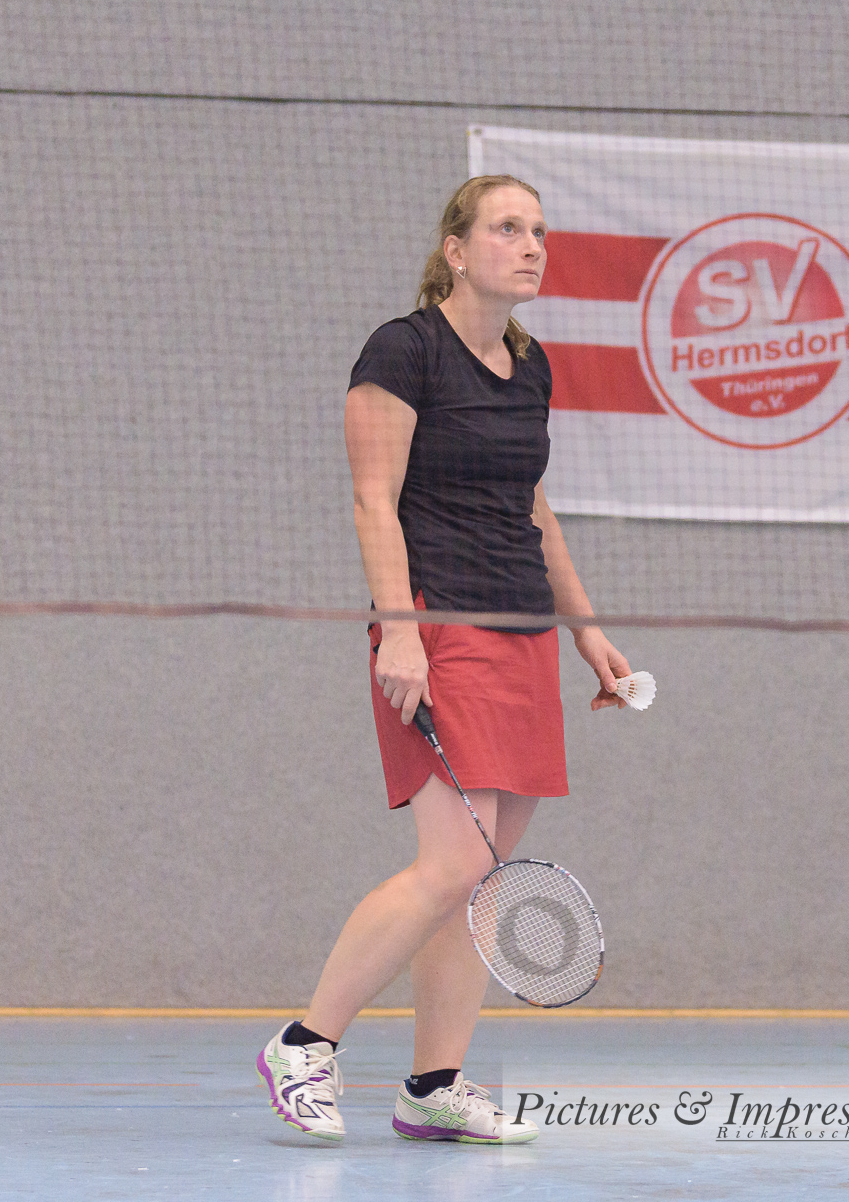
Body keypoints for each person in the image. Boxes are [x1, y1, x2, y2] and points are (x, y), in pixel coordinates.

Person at [257, 175, 632, 1146]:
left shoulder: (531, 365)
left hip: (522, 632)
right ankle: (303, 1043)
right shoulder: (405, 350)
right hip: (439, 625)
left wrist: (585, 629)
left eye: (539, 230)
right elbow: (372, 500)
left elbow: (533, 508)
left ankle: (434, 1083)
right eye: (508, 228)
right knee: (453, 860)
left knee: (485, 877)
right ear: (456, 251)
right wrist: (400, 631)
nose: (532, 244)